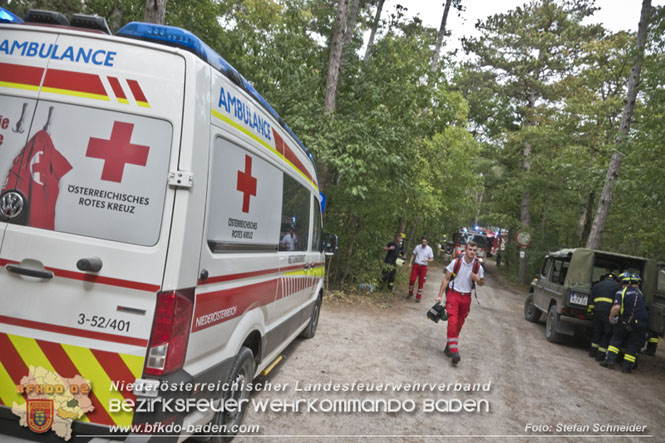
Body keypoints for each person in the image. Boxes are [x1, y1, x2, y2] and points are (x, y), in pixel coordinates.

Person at [435, 241, 484, 366]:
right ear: (465, 250)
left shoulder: (478, 267)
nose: (472, 252)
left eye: (474, 250)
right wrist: (440, 295)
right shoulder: (455, 263)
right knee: (453, 321)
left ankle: (449, 345)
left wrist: (477, 279)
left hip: (466, 297)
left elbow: (482, 282)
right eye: (470, 249)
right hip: (453, 294)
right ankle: (454, 351)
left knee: (460, 323)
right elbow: (446, 279)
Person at [600, 272, 648, 374]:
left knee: (616, 339)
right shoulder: (639, 293)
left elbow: (617, 307)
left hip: (626, 321)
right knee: (633, 344)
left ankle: (610, 361)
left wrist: (611, 317)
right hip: (641, 323)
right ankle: (627, 367)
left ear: (621, 282)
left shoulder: (621, 292)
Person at [588, 272, 620, 361]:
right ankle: (600, 356)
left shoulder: (597, 285)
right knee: (607, 334)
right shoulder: (618, 286)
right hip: (609, 314)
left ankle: (592, 352)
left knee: (597, 332)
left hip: (597, 312)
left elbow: (591, 299)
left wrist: (591, 312)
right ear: (614, 279)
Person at [407, 236, 434, 302]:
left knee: (421, 282)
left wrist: (427, 260)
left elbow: (432, 259)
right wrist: (410, 263)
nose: (423, 243)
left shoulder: (429, 249)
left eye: (425, 242)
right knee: (412, 279)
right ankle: (410, 293)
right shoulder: (417, 247)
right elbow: (413, 254)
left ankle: (418, 297)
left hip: (423, 266)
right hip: (416, 265)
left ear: (427, 242)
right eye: (422, 242)